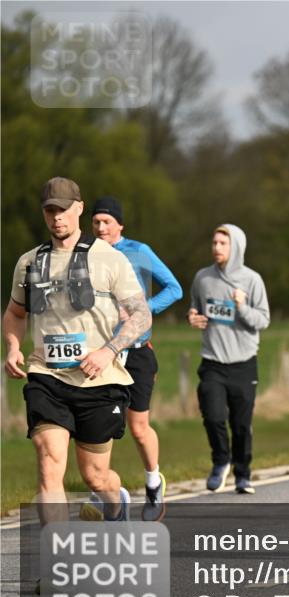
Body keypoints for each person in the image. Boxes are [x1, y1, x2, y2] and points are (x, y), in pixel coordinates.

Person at [3, 177, 151, 527]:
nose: (57, 218)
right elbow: (14, 313)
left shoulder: (109, 259)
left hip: (98, 380)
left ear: (79, 209)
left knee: (96, 477)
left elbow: (141, 313)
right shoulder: (29, 263)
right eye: (50, 210)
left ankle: (115, 503)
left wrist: (108, 350)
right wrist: (12, 347)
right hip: (46, 376)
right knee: (49, 463)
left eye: (63, 210)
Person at [83, 196, 182, 521]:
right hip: (100, 354)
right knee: (98, 425)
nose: (100, 228)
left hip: (137, 352)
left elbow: (174, 288)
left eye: (106, 222)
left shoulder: (139, 251)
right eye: (96, 222)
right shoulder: (84, 255)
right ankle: (102, 489)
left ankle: (154, 482)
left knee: (138, 427)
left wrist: (142, 310)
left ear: (119, 225)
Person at [188, 224, 270, 494]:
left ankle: (243, 474)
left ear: (236, 248)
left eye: (223, 244)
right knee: (212, 416)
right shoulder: (202, 278)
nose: (217, 248)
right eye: (214, 243)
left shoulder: (252, 280)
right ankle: (220, 461)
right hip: (212, 362)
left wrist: (242, 307)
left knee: (241, 425)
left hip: (244, 364)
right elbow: (196, 309)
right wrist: (193, 317)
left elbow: (263, 320)